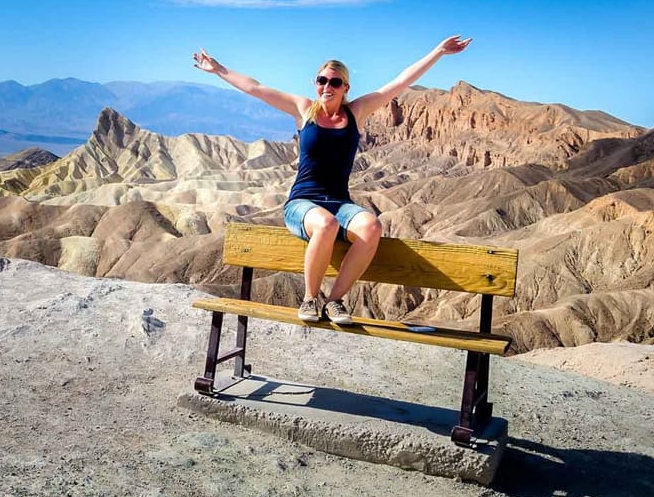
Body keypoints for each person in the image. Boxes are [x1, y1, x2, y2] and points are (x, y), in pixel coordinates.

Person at [193, 36, 472, 324]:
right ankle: (310, 299)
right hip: (302, 204)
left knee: (372, 226)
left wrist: (438, 52)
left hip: (339, 203)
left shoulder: (356, 112)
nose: (327, 87)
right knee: (326, 224)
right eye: (322, 80)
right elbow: (257, 88)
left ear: (345, 88)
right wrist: (218, 69)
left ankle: (334, 302)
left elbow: (399, 83)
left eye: (335, 83)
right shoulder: (304, 109)